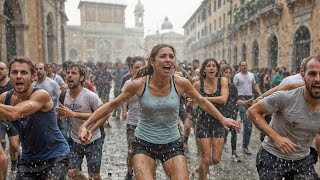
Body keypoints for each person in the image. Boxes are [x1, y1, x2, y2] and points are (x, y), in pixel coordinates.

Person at [78, 44, 240, 180]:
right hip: (143, 143)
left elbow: (202, 101)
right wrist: (86, 124)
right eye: (163, 56)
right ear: (153, 62)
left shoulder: (181, 83)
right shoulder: (139, 84)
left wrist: (222, 118)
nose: (168, 59)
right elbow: (111, 105)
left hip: (172, 143)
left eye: (171, 56)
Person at [247, 55, 320, 179]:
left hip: (303, 160)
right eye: (312, 74)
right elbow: (252, 111)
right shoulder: (286, 97)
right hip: (272, 156)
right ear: (303, 75)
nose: (318, 79)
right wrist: (276, 138)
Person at [0, 57, 69, 179]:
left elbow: (15, 113)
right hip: (28, 159)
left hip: (55, 156)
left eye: (24, 72)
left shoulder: (41, 95)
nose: (19, 76)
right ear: (9, 76)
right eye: (14, 72)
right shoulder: (5, 98)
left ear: (33, 77)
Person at [57, 63, 107, 180]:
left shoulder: (90, 96)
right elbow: (58, 113)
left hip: (93, 139)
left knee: (94, 176)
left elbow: (104, 114)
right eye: (68, 73)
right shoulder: (64, 95)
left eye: (74, 73)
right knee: (72, 173)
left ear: (81, 78)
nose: (69, 75)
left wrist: (74, 114)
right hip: (74, 140)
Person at [192, 58, 229, 180]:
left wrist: (203, 99)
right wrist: (192, 102)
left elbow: (223, 99)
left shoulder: (223, 81)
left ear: (217, 69)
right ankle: (202, 174)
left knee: (216, 159)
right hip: (203, 122)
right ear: (204, 69)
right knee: (206, 159)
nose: (211, 68)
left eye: (214, 66)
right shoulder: (198, 85)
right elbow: (192, 102)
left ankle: (201, 167)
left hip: (219, 121)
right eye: (208, 66)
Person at [121, 56, 146, 180]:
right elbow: (123, 99)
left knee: (146, 153)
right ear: (131, 69)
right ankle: (130, 171)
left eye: (142, 66)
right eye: (136, 67)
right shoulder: (128, 83)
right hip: (133, 122)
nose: (139, 69)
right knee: (131, 151)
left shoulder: (150, 82)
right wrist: (124, 111)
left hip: (148, 124)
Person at [233, 60, 261, 154]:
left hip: (250, 100)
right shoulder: (237, 76)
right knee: (246, 121)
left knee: (249, 125)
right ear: (240, 67)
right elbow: (234, 87)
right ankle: (239, 145)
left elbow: (254, 85)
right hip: (241, 100)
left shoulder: (251, 75)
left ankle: (245, 146)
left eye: (246, 65)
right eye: (242, 65)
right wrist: (236, 98)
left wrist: (261, 94)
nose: (244, 67)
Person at [0, 62, 20, 173]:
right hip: (0, 120)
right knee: (1, 142)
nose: (0, 71)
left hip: (13, 119)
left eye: (2, 69)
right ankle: (2, 164)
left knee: (14, 145)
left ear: (7, 71)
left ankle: (14, 163)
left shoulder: (13, 84)